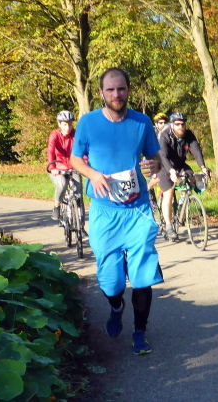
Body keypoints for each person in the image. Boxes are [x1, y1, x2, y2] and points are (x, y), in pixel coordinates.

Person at [70, 67, 163, 355]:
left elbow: (155, 158)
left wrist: (155, 165)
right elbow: (75, 159)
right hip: (105, 211)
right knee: (111, 282)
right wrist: (93, 174)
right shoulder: (88, 122)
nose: (116, 94)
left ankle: (140, 333)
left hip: (137, 209)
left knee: (143, 275)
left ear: (128, 90)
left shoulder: (142, 121)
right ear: (101, 93)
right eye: (110, 90)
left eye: (121, 89)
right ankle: (116, 305)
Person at [158, 112, 211, 241]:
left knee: (191, 179)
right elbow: (163, 156)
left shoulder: (188, 134)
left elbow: (196, 150)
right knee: (169, 193)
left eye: (183, 124)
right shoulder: (165, 135)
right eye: (177, 124)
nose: (181, 126)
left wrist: (203, 167)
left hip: (180, 164)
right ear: (172, 125)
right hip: (164, 166)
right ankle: (169, 227)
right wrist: (171, 171)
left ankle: (182, 204)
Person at [46, 110, 79, 222]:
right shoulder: (54, 135)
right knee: (62, 183)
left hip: (73, 167)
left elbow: (82, 150)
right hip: (58, 168)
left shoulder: (75, 134)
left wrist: (85, 163)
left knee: (79, 194)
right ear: (59, 124)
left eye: (70, 124)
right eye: (65, 124)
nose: (67, 127)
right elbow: (51, 151)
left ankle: (81, 226)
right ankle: (57, 206)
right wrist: (52, 168)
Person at [146, 112, 170, 201]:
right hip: (151, 157)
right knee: (155, 177)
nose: (163, 124)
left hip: (163, 156)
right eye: (160, 123)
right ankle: (150, 195)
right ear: (156, 124)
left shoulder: (168, 131)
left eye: (164, 122)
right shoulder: (151, 131)